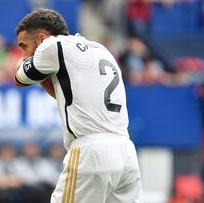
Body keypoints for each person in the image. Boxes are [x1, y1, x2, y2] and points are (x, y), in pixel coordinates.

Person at [14, 8, 142, 203]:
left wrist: (21, 63)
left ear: (42, 38)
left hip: (91, 152)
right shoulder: (100, 49)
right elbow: (66, 94)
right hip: (125, 152)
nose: (24, 53)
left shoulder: (52, 46)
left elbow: (20, 78)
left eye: (24, 46)